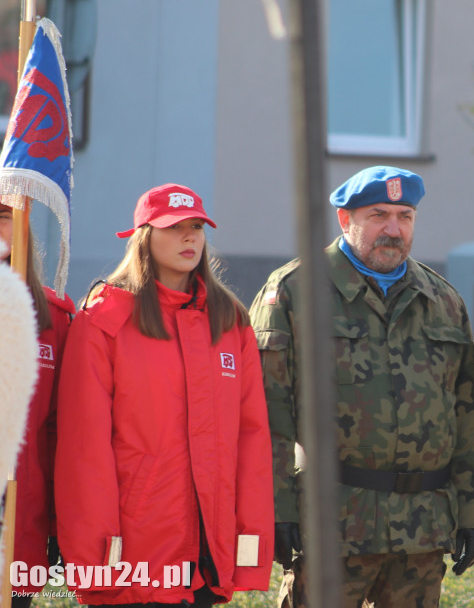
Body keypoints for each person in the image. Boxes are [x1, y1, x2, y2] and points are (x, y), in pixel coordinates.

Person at [250, 166, 474, 608]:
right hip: (334, 522)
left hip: (422, 528)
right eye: (378, 215)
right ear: (345, 221)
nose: (393, 229)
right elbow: (266, 414)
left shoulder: (441, 300)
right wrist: (276, 507)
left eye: (405, 216)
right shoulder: (296, 291)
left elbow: (468, 414)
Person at [54, 183, 274, 606]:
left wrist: (248, 543)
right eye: (173, 227)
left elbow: (251, 438)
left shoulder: (230, 322)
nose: (189, 237)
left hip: (208, 555)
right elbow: (85, 450)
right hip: (135, 555)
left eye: (196, 226)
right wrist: (97, 560)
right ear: (144, 236)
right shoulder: (104, 319)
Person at [0, 203, 74, 608]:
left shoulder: (55, 318)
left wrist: (64, 525)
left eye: (2, 216)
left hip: (20, 529)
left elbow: (62, 431)